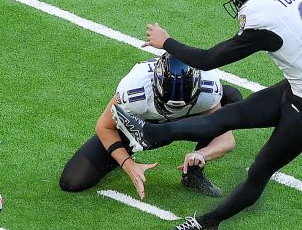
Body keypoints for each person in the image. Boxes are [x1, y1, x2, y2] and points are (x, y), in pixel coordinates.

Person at [112, 0, 302, 230]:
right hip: (298, 90)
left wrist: (167, 42)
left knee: (260, 170)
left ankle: (208, 223)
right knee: (228, 116)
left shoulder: (263, 17)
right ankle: (149, 135)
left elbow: (208, 60)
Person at [59, 53, 242, 199]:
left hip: (186, 122)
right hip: (141, 127)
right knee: (72, 181)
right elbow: (104, 127)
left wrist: (202, 154)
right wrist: (127, 163)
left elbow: (226, 140)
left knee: (232, 98)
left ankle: (193, 174)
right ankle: (126, 150)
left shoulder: (208, 90)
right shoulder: (133, 90)